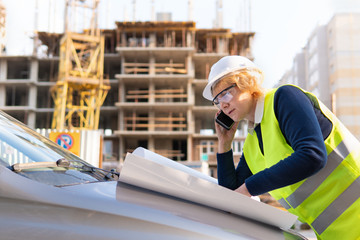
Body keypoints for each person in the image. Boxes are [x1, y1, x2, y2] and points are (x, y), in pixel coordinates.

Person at [202, 55, 360, 240]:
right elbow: (232, 197)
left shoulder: (284, 98)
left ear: (246, 82)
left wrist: (248, 188)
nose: (222, 104)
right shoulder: (252, 145)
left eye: (225, 93)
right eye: (217, 100)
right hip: (337, 234)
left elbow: (312, 155)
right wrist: (224, 145)